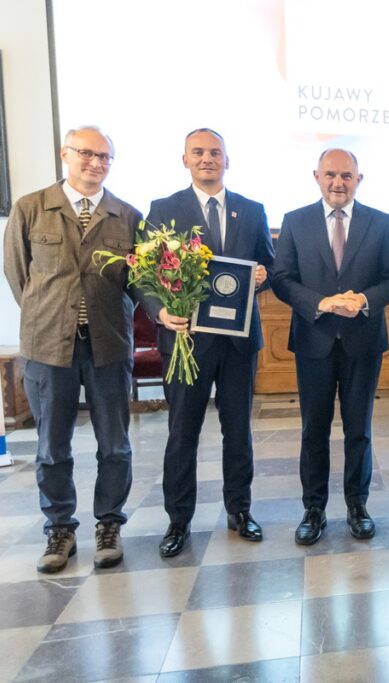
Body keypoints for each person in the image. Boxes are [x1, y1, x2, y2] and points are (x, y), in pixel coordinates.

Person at [3, 126, 141, 573]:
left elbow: (137, 285)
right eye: (86, 153)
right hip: (48, 345)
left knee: (115, 445)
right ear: (65, 154)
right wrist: (52, 313)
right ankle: (59, 528)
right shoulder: (30, 208)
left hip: (108, 345)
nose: (95, 163)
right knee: (51, 446)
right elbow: (18, 277)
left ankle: (109, 524)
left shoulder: (127, 216)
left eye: (104, 157)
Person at [147, 128, 275, 557]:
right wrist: (160, 313)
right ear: (184, 159)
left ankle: (240, 510)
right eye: (198, 152)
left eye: (215, 152)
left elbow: (269, 267)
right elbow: (145, 277)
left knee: (238, 432)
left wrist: (262, 277)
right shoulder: (164, 210)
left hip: (239, 344)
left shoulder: (252, 211)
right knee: (183, 433)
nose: (207, 158)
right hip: (187, 342)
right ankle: (178, 520)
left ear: (227, 160)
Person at [272, 149, 389, 545]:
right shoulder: (294, 221)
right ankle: (313, 510)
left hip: (362, 342)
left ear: (359, 179)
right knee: (313, 429)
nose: (338, 182)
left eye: (346, 175)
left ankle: (357, 506)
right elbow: (281, 278)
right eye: (330, 174)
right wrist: (320, 303)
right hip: (314, 340)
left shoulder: (380, 222)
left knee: (358, 428)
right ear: (316, 176)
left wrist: (362, 301)